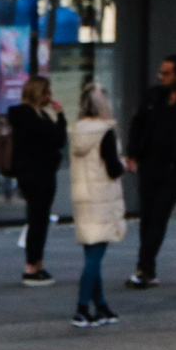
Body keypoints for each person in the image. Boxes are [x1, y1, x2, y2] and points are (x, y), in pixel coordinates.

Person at [125, 54, 176, 288]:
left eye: (167, 73)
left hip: (174, 169)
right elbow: (137, 124)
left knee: (159, 216)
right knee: (147, 217)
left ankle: (144, 267)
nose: (162, 77)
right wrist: (132, 154)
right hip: (149, 165)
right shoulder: (152, 96)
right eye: (161, 72)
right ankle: (146, 267)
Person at [66, 84, 124, 326]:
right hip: (101, 198)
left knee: (92, 253)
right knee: (95, 257)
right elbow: (112, 168)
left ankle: (101, 306)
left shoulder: (76, 131)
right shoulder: (105, 132)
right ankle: (82, 307)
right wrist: (124, 165)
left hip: (83, 197)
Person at [5, 77, 67, 285]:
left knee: (36, 219)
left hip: (28, 174)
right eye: (46, 92)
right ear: (39, 94)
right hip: (40, 174)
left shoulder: (22, 116)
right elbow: (57, 140)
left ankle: (36, 263)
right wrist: (60, 116)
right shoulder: (35, 118)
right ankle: (32, 267)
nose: (50, 97)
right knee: (38, 220)